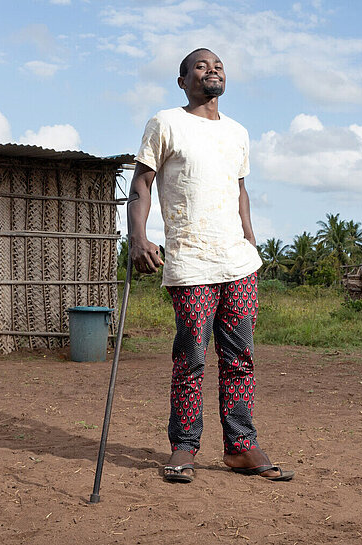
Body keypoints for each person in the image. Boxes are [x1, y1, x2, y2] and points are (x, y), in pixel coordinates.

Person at [128, 48, 294, 483]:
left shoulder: (238, 132)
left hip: (237, 263)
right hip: (191, 263)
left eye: (217, 64)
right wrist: (138, 237)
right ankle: (184, 445)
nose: (212, 69)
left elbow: (240, 190)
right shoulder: (165, 123)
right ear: (182, 81)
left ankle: (241, 447)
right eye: (200, 66)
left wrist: (251, 241)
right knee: (191, 358)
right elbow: (142, 183)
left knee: (240, 357)